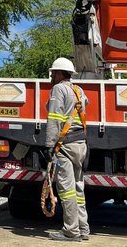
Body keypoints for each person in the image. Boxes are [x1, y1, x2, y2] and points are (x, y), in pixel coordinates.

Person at [44, 57, 90, 242]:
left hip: (65, 146)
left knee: (67, 190)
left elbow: (54, 117)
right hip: (81, 144)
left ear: (58, 73)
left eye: (53, 73)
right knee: (78, 189)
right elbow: (85, 105)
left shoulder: (58, 89)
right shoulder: (78, 90)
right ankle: (83, 229)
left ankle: (71, 231)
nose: (51, 76)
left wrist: (49, 145)